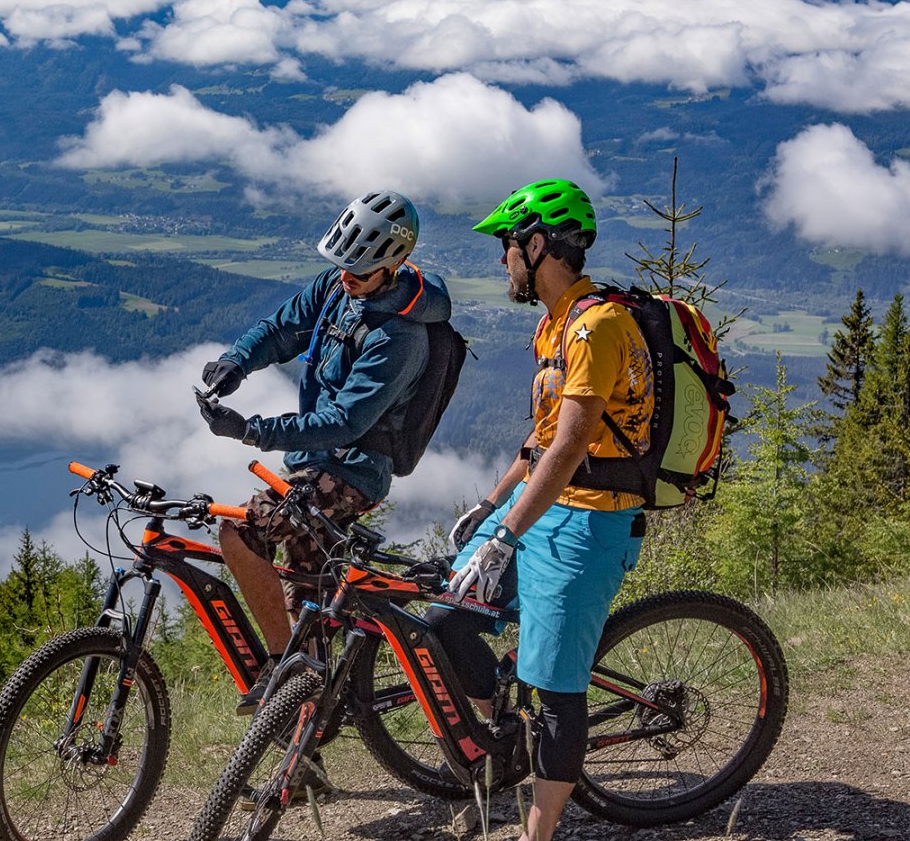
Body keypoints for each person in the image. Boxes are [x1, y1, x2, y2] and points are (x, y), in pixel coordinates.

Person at [445, 178, 653, 841]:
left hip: (589, 524)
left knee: (558, 696)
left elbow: (569, 448)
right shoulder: (555, 325)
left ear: (537, 245)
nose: (501, 258)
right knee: (446, 619)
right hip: (542, 512)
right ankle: (505, 729)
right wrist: (490, 503)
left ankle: (539, 834)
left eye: (507, 245)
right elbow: (540, 437)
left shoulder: (598, 327)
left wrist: (504, 535)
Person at [196, 189, 452, 717]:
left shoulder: (401, 336)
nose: (345, 278)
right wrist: (238, 361)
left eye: (359, 270)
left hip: (353, 469)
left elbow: (345, 422)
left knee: (240, 532)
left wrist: (251, 431)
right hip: (313, 463)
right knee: (308, 603)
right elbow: (283, 329)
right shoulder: (338, 288)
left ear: (394, 264)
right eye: (341, 266)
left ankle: (278, 670)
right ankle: (309, 734)